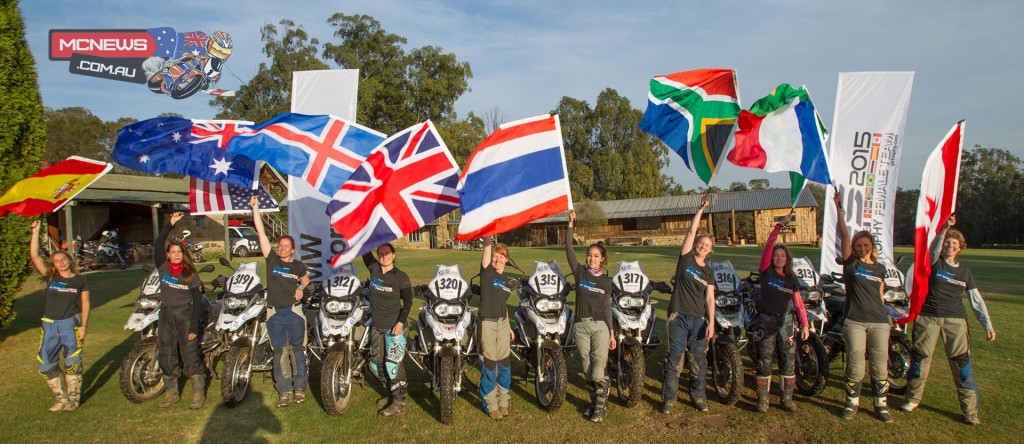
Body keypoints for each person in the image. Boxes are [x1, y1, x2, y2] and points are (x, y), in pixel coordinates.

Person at [902, 215, 996, 425]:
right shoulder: (934, 263)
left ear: (960, 248)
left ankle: (970, 412)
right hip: (929, 319)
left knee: (962, 365)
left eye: (954, 244)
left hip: (956, 322)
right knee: (920, 360)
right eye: (947, 243)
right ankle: (912, 399)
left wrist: (987, 324)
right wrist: (944, 228)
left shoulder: (965, 271)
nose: (950, 246)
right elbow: (933, 250)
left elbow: (976, 300)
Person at [833, 192, 892, 422]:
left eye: (865, 244)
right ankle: (852, 403)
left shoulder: (879, 269)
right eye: (859, 245)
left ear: (871, 246)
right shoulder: (851, 264)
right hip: (855, 321)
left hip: (879, 321)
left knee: (880, 364)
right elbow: (844, 234)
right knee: (856, 364)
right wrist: (839, 208)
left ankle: (881, 405)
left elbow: (881, 295)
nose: (862, 247)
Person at [251, 196, 310, 407]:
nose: (282, 248)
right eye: (280, 245)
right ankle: (284, 390)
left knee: (298, 351)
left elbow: (306, 280)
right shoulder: (272, 260)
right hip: (274, 313)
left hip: (294, 312)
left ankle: (300, 388)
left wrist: (301, 288)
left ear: (293, 249)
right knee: (279, 352)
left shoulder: (298, 266)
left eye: (286, 246)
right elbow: (261, 233)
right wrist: (256, 210)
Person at [661, 193, 716, 414]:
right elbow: (691, 231)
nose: (702, 246)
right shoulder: (685, 259)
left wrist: (711, 322)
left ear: (711, 250)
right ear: (695, 245)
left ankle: (698, 396)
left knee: (698, 361)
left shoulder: (709, 272)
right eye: (701, 243)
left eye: (707, 245)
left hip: (699, 320)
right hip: (678, 317)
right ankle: (669, 400)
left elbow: (710, 298)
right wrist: (700, 208)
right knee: (674, 358)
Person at [750, 213, 809, 412]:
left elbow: (799, 303)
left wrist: (806, 324)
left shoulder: (792, 279)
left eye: (783, 256)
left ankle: (786, 399)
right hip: (765, 321)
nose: (779, 258)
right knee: (764, 360)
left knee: (788, 361)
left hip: (786, 323)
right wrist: (778, 227)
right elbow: (768, 246)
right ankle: (763, 400)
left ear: (787, 259)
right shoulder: (766, 271)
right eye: (777, 255)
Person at [29, 220, 90, 412]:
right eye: (57, 261)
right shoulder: (51, 277)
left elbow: (85, 303)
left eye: (64, 259)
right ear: (53, 264)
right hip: (49, 325)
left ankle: (73, 400)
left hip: (70, 325)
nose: (61, 263)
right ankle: (61, 398)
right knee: (44, 364)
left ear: (70, 261)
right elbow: (34, 255)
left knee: (73, 364)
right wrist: (36, 232)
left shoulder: (80, 280)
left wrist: (84, 326)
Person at [566, 209, 617, 422]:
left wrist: (612, 334)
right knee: (587, 371)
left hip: (600, 327)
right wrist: (571, 223)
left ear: (603, 259)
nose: (591, 258)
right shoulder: (580, 273)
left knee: (598, 371)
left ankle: (601, 408)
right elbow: (568, 248)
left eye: (596, 256)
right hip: (580, 326)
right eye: (589, 255)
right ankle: (595, 404)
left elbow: (607, 307)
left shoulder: (606, 281)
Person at [154, 211, 206, 409]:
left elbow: (197, 302)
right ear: (168, 255)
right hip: (166, 314)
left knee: (189, 354)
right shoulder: (163, 268)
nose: (176, 255)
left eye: (179, 252)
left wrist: (193, 327)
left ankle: (198, 393)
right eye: (172, 252)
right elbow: (158, 243)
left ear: (183, 255)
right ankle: (171, 393)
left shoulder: (190, 273)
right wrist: (170, 225)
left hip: (185, 315)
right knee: (166, 354)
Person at [362, 243, 413, 417]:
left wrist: (400, 323)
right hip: (377, 326)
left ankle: (399, 401)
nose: (384, 256)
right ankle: (392, 392)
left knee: (393, 364)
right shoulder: (374, 269)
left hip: (395, 327)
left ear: (394, 254)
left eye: (387, 253)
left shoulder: (401, 276)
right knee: (376, 362)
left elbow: (408, 303)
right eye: (381, 253)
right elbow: (363, 249)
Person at [476, 236, 515, 420]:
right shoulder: (487, 273)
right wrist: (487, 241)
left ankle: (503, 401)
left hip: (502, 323)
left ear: (507, 259)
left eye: (501, 257)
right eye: (495, 256)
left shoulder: (507, 281)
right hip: (487, 324)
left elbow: (503, 304)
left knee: (505, 364)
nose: (498, 259)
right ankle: (490, 404)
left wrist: (508, 326)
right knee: (490, 365)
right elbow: (486, 251)